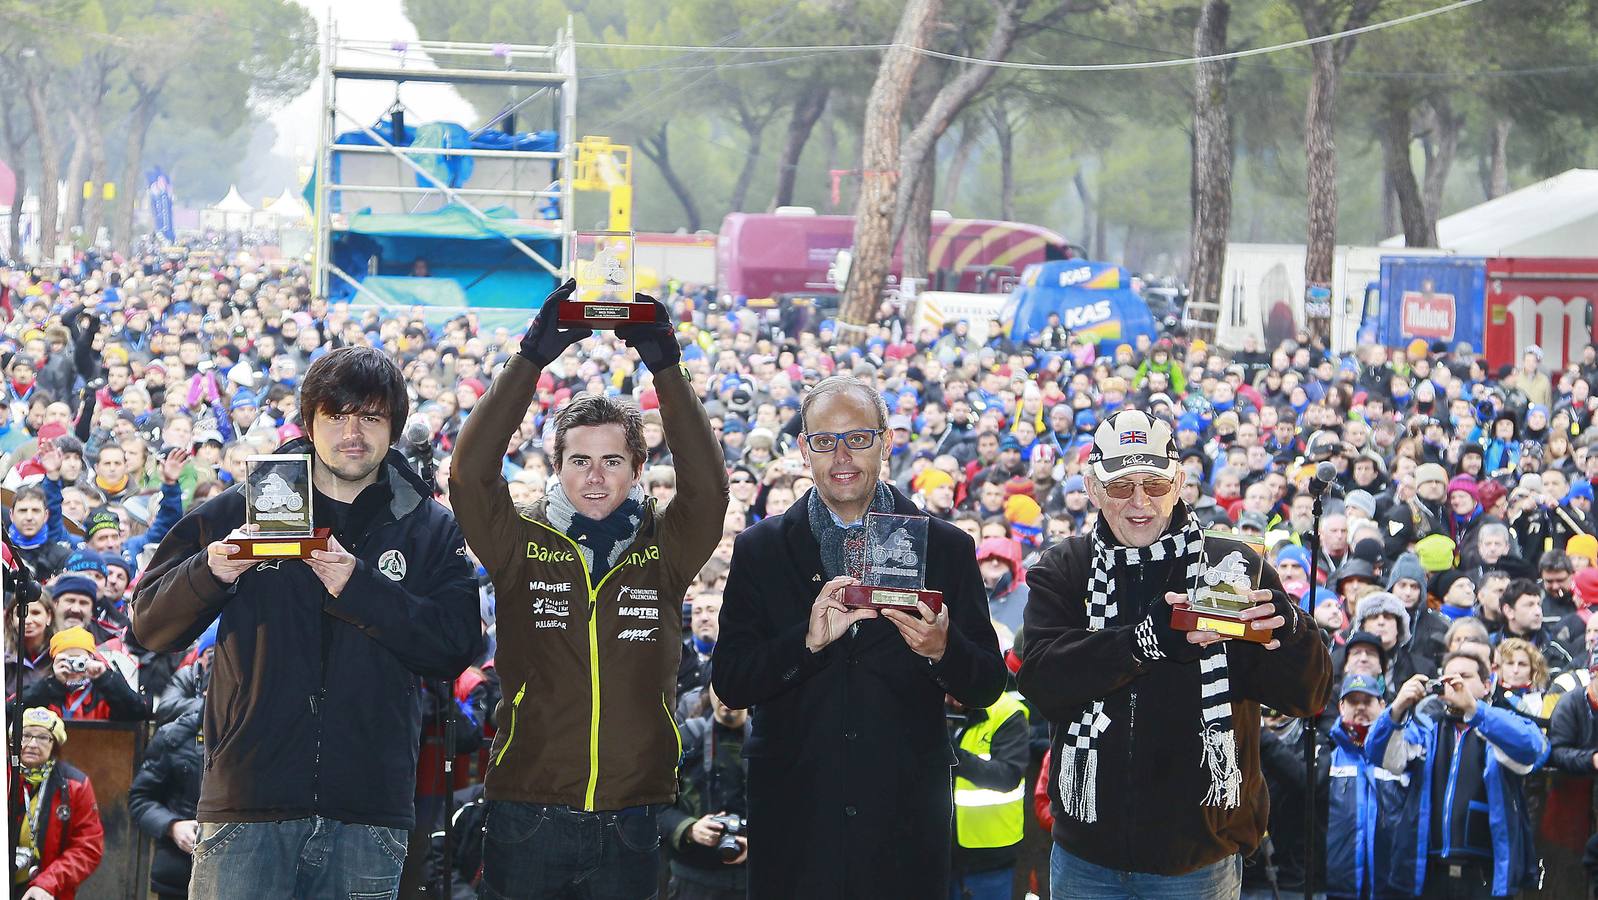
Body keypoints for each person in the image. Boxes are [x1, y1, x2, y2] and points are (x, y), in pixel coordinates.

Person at [131, 346, 483, 900]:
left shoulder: (428, 525)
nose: (353, 432)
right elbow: (149, 626)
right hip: (248, 800)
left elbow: (456, 646)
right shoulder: (244, 508)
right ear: (309, 421)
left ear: (393, 426)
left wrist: (361, 588)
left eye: (370, 417)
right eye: (336, 415)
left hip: (370, 808)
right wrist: (211, 569)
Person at [450, 282, 727, 900]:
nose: (595, 476)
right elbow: (470, 473)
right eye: (579, 460)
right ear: (556, 466)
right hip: (527, 813)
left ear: (637, 467)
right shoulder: (517, 543)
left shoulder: (667, 548)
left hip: (634, 818)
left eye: (611, 461)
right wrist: (531, 357)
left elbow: (709, 490)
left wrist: (667, 368)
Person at [712, 374, 1006, 899]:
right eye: (825, 441)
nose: (842, 455)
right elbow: (731, 682)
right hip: (795, 822)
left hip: (904, 825)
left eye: (859, 438)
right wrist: (805, 645)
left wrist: (944, 650)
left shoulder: (945, 547)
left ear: (886, 441)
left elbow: (987, 684)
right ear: (805, 449)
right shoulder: (762, 549)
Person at [1018, 408, 1331, 898]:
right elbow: (1041, 682)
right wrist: (1145, 641)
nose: (1140, 501)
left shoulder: (1235, 565)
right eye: (1121, 486)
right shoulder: (1065, 568)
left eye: (1155, 484)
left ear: (1180, 482)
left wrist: (1290, 632)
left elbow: (1307, 696)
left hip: (1199, 861)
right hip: (1086, 857)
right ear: (1094, 488)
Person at [1369, 653, 1550, 898]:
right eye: (1448, 678)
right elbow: (1378, 755)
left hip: (1482, 876)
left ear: (1487, 685)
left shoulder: (1501, 724)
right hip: (1429, 874)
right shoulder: (1427, 728)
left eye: (1464, 677)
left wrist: (1475, 710)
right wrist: (1398, 707)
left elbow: (1531, 747)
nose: (1455, 685)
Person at [659, 685, 750, 900]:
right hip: (693, 879)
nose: (725, 697)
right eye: (719, 687)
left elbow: (793, 813)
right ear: (708, 692)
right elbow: (654, 806)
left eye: (734, 685)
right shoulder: (686, 740)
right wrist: (690, 828)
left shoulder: (769, 744)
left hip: (752, 879)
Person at [7, 707, 105, 900]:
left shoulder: (75, 785)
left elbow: (88, 846)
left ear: (55, 744)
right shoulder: (7, 776)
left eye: (43, 737)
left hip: (46, 891)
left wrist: (48, 883)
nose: (33, 744)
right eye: (25, 735)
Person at [948, 690, 1030, 900]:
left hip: (988, 856)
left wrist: (953, 756)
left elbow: (1007, 776)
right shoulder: (929, 706)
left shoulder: (1007, 713)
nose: (951, 699)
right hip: (933, 853)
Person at [129, 710, 205, 900]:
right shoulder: (174, 736)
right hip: (179, 870)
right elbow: (140, 798)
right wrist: (172, 826)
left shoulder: (256, 737)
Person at [20, 624, 148, 721]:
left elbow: (138, 713)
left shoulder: (104, 692)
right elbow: (10, 710)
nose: (74, 666)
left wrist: (105, 678)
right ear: (54, 661)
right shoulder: (45, 690)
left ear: (91, 658)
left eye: (80, 660)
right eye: (67, 660)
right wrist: (53, 684)